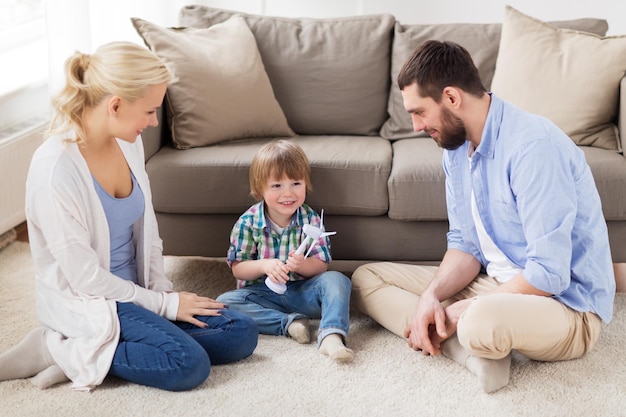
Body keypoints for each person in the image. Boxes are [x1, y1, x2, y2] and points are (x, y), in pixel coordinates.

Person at [351, 40, 615, 393]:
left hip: (564, 306)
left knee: (479, 321)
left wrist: (471, 307)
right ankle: (474, 354)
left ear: (451, 97)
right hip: (499, 282)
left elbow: (550, 273)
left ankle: (468, 335)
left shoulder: (533, 149)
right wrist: (432, 295)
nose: (415, 126)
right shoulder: (456, 148)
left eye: (419, 112)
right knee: (365, 278)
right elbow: (465, 244)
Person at [0, 42, 258, 392]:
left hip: (136, 293)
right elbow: (87, 280)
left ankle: (88, 353)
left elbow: (148, 234)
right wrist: (166, 306)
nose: (154, 122)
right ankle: (56, 348)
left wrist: (163, 294)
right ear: (116, 105)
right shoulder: (55, 170)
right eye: (150, 111)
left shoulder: (128, 142)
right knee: (188, 364)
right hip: (93, 301)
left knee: (240, 334)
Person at [216, 140, 354, 363]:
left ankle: (331, 334)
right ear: (260, 189)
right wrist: (264, 265)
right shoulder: (248, 223)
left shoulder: (310, 219)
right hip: (264, 295)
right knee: (225, 302)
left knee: (337, 280)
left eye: (296, 184)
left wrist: (302, 265)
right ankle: (289, 323)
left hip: (303, 291)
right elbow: (238, 269)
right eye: (277, 186)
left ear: (306, 184)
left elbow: (321, 265)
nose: (288, 193)